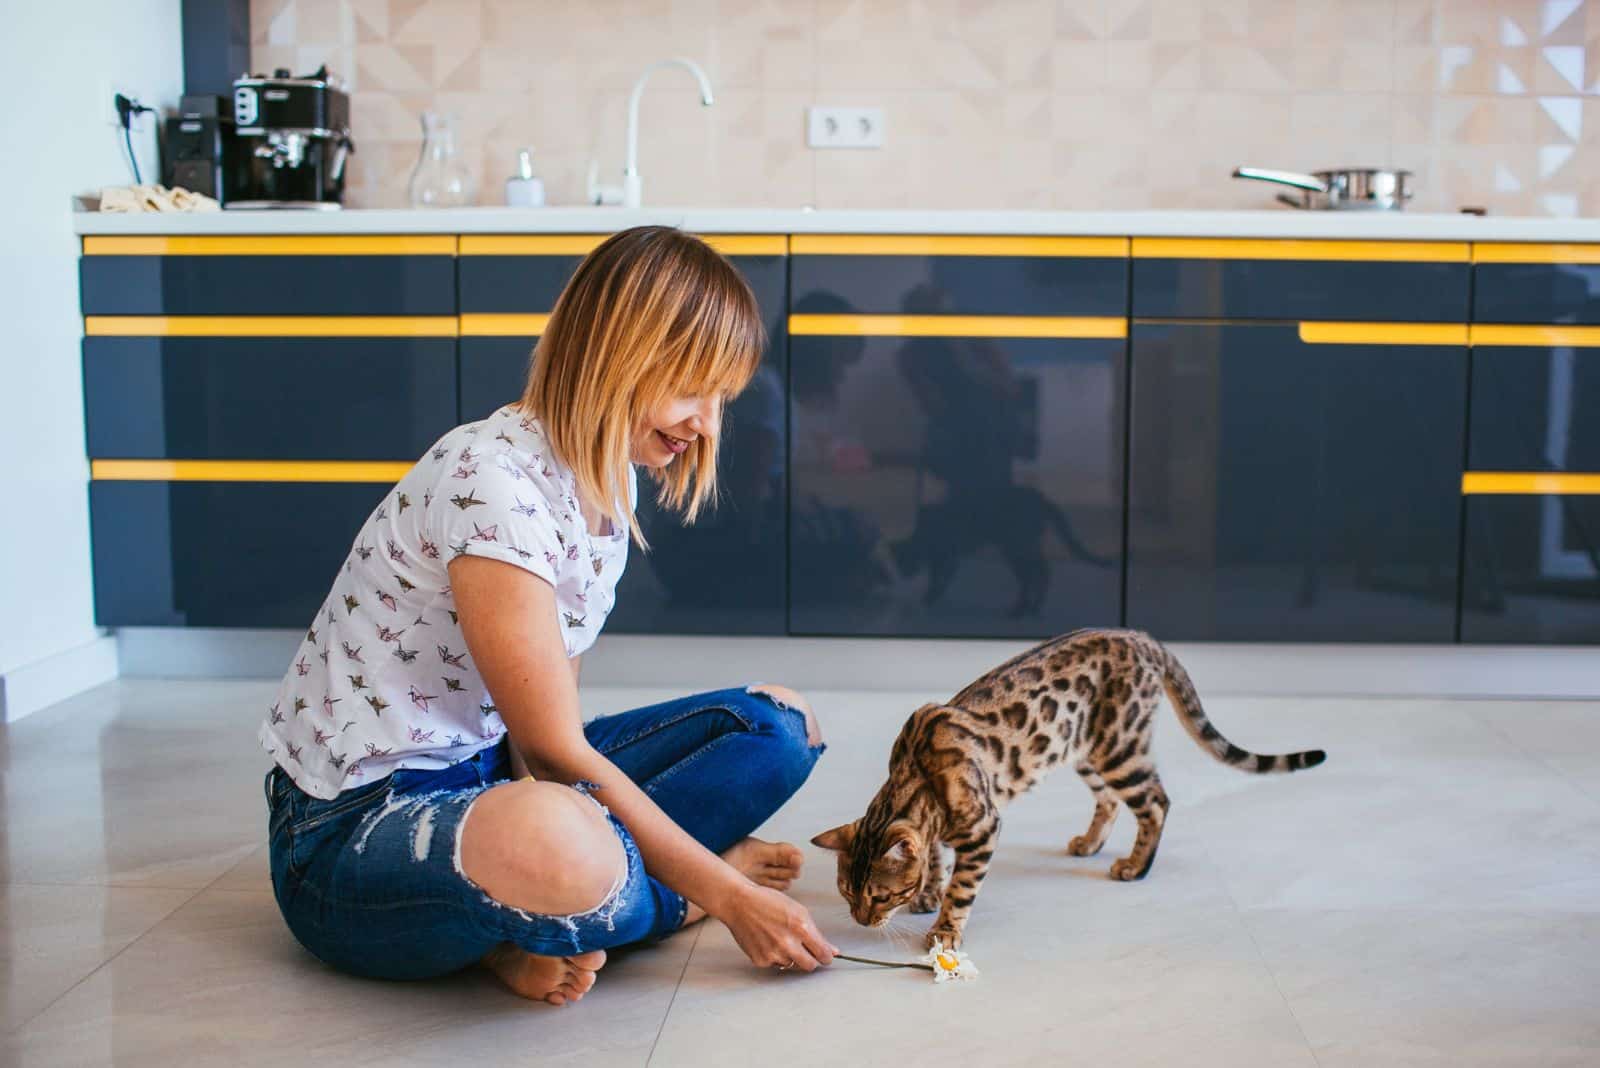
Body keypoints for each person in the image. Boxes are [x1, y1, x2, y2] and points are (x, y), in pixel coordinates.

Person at [260, 226, 837, 1005]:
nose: (705, 422)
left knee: (778, 728)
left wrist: (570, 812)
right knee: (563, 845)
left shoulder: (608, 479)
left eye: (720, 399)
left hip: (493, 773)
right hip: (353, 830)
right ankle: (646, 896)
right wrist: (728, 896)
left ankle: (555, 908)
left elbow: (542, 739)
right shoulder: (492, 479)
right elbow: (556, 751)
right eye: (692, 389)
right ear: (616, 354)